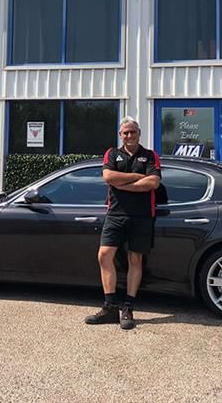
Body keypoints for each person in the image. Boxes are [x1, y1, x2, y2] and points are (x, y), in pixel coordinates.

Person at [85, 116, 161, 330]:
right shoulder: (112, 153)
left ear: (139, 133)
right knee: (104, 255)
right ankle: (110, 307)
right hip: (115, 214)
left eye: (133, 132)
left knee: (134, 260)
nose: (129, 135)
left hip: (142, 215)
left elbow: (153, 182)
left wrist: (124, 183)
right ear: (120, 135)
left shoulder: (150, 155)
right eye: (125, 132)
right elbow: (108, 177)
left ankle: (128, 308)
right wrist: (137, 177)